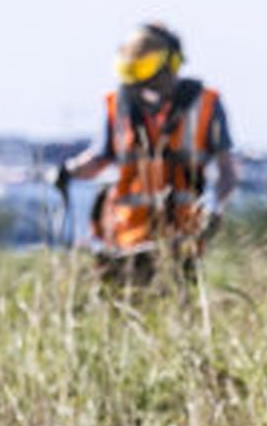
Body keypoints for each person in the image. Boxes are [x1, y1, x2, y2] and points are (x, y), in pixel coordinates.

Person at [53, 22, 238, 285]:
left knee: (177, 308)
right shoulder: (117, 105)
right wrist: (69, 171)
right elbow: (100, 157)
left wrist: (215, 208)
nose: (146, 85)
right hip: (122, 239)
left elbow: (227, 171)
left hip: (182, 238)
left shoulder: (206, 104)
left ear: (172, 63)